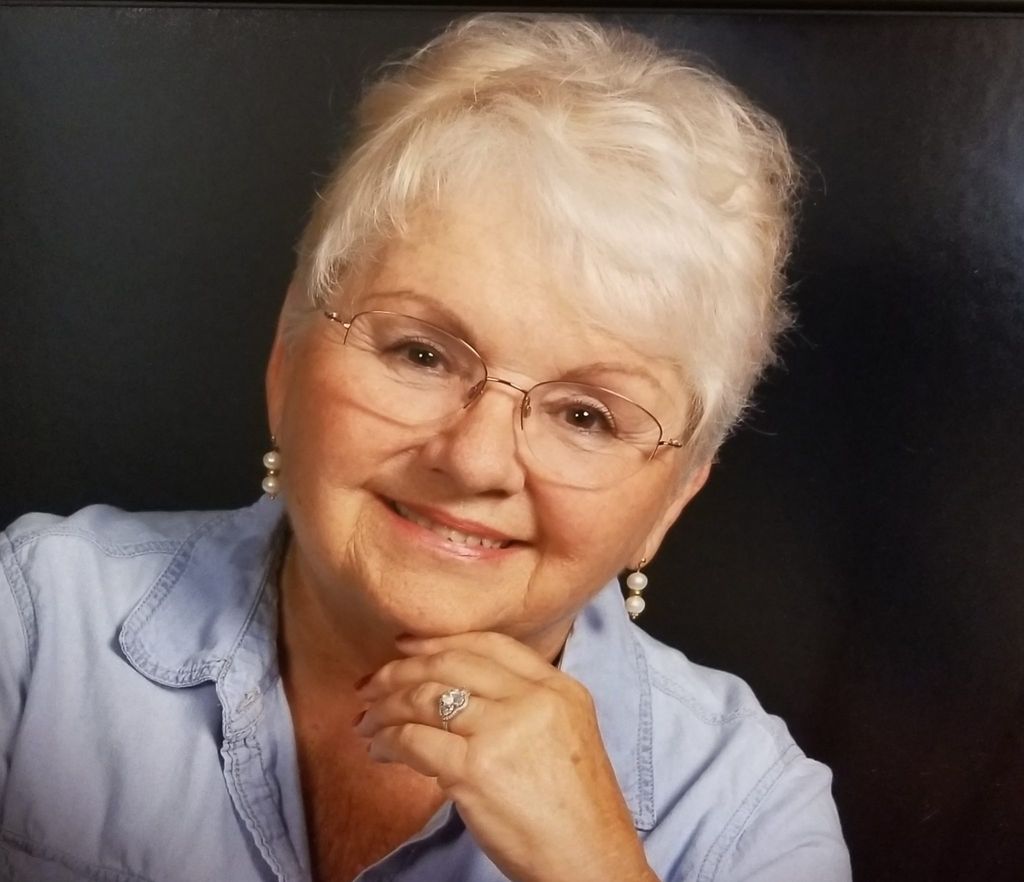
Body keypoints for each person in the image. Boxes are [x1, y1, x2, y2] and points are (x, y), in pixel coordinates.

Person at [0, 12, 851, 882]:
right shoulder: (34, 625)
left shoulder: (749, 816)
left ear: (672, 500)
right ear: (288, 355)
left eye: (586, 416)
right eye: (421, 354)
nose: (474, 460)